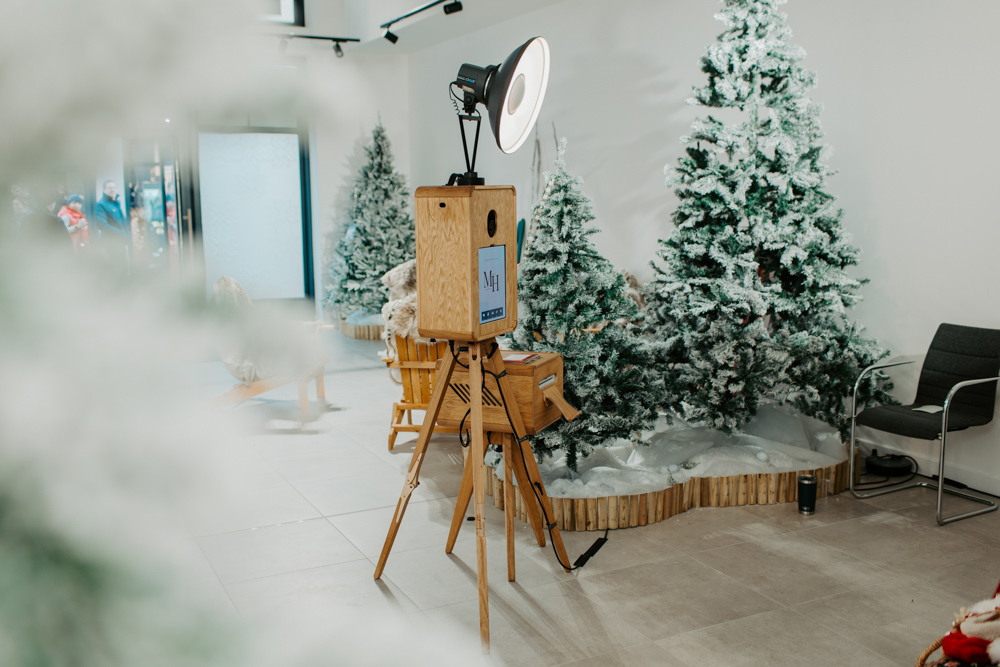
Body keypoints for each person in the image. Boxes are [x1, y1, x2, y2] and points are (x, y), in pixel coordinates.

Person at [92, 179, 130, 268]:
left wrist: (126, 234)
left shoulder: (115, 203)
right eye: (109, 188)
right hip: (111, 243)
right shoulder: (101, 205)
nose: (112, 190)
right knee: (116, 268)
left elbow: (122, 221)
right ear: (104, 190)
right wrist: (120, 234)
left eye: (114, 187)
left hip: (120, 241)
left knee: (123, 267)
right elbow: (102, 225)